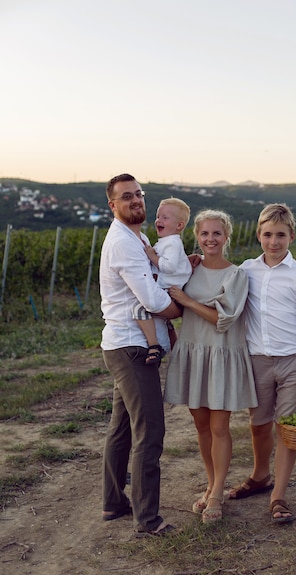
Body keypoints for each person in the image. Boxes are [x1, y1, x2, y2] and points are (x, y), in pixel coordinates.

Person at [99, 173, 181, 536]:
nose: (136, 201)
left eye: (138, 194)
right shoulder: (122, 243)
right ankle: (147, 520)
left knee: (121, 429)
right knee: (150, 431)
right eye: (126, 197)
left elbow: (154, 278)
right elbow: (152, 299)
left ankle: (114, 502)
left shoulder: (139, 237)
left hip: (126, 344)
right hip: (132, 347)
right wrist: (185, 308)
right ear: (112, 205)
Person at [164, 210, 258, 524]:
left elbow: (223, 318)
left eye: (217, 234)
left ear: (226, 236)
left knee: (219, 427)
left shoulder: (236, 275)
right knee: (201, 426)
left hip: (221, 354)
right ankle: (210, 483)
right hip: (193, 353)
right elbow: (166, 294)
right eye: (205, 234)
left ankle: (217, 493)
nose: (210, 239)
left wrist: (189, 302)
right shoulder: (188, 269)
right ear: (197, 236)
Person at [229, 203, 296, 524]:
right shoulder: (246, 271)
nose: (273, 242)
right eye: (267, 235)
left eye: (280, 235)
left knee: (287, 428)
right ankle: (259, 475)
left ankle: (278, 494)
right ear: (259, 235)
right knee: (258, 423)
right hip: (257, 360)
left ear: (291, 236)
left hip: (292, 363)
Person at [131, 198, 192, 364]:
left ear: (179, 225)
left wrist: (152, 256)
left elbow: (169, 266)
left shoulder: (172, 243)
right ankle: (176, 352)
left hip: (168, 291)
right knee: (164, 322)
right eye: (158, 216)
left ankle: (154, 345)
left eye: (165, 217)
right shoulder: (168, 242)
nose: (159, 220)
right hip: (166, 290)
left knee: (139, 309)